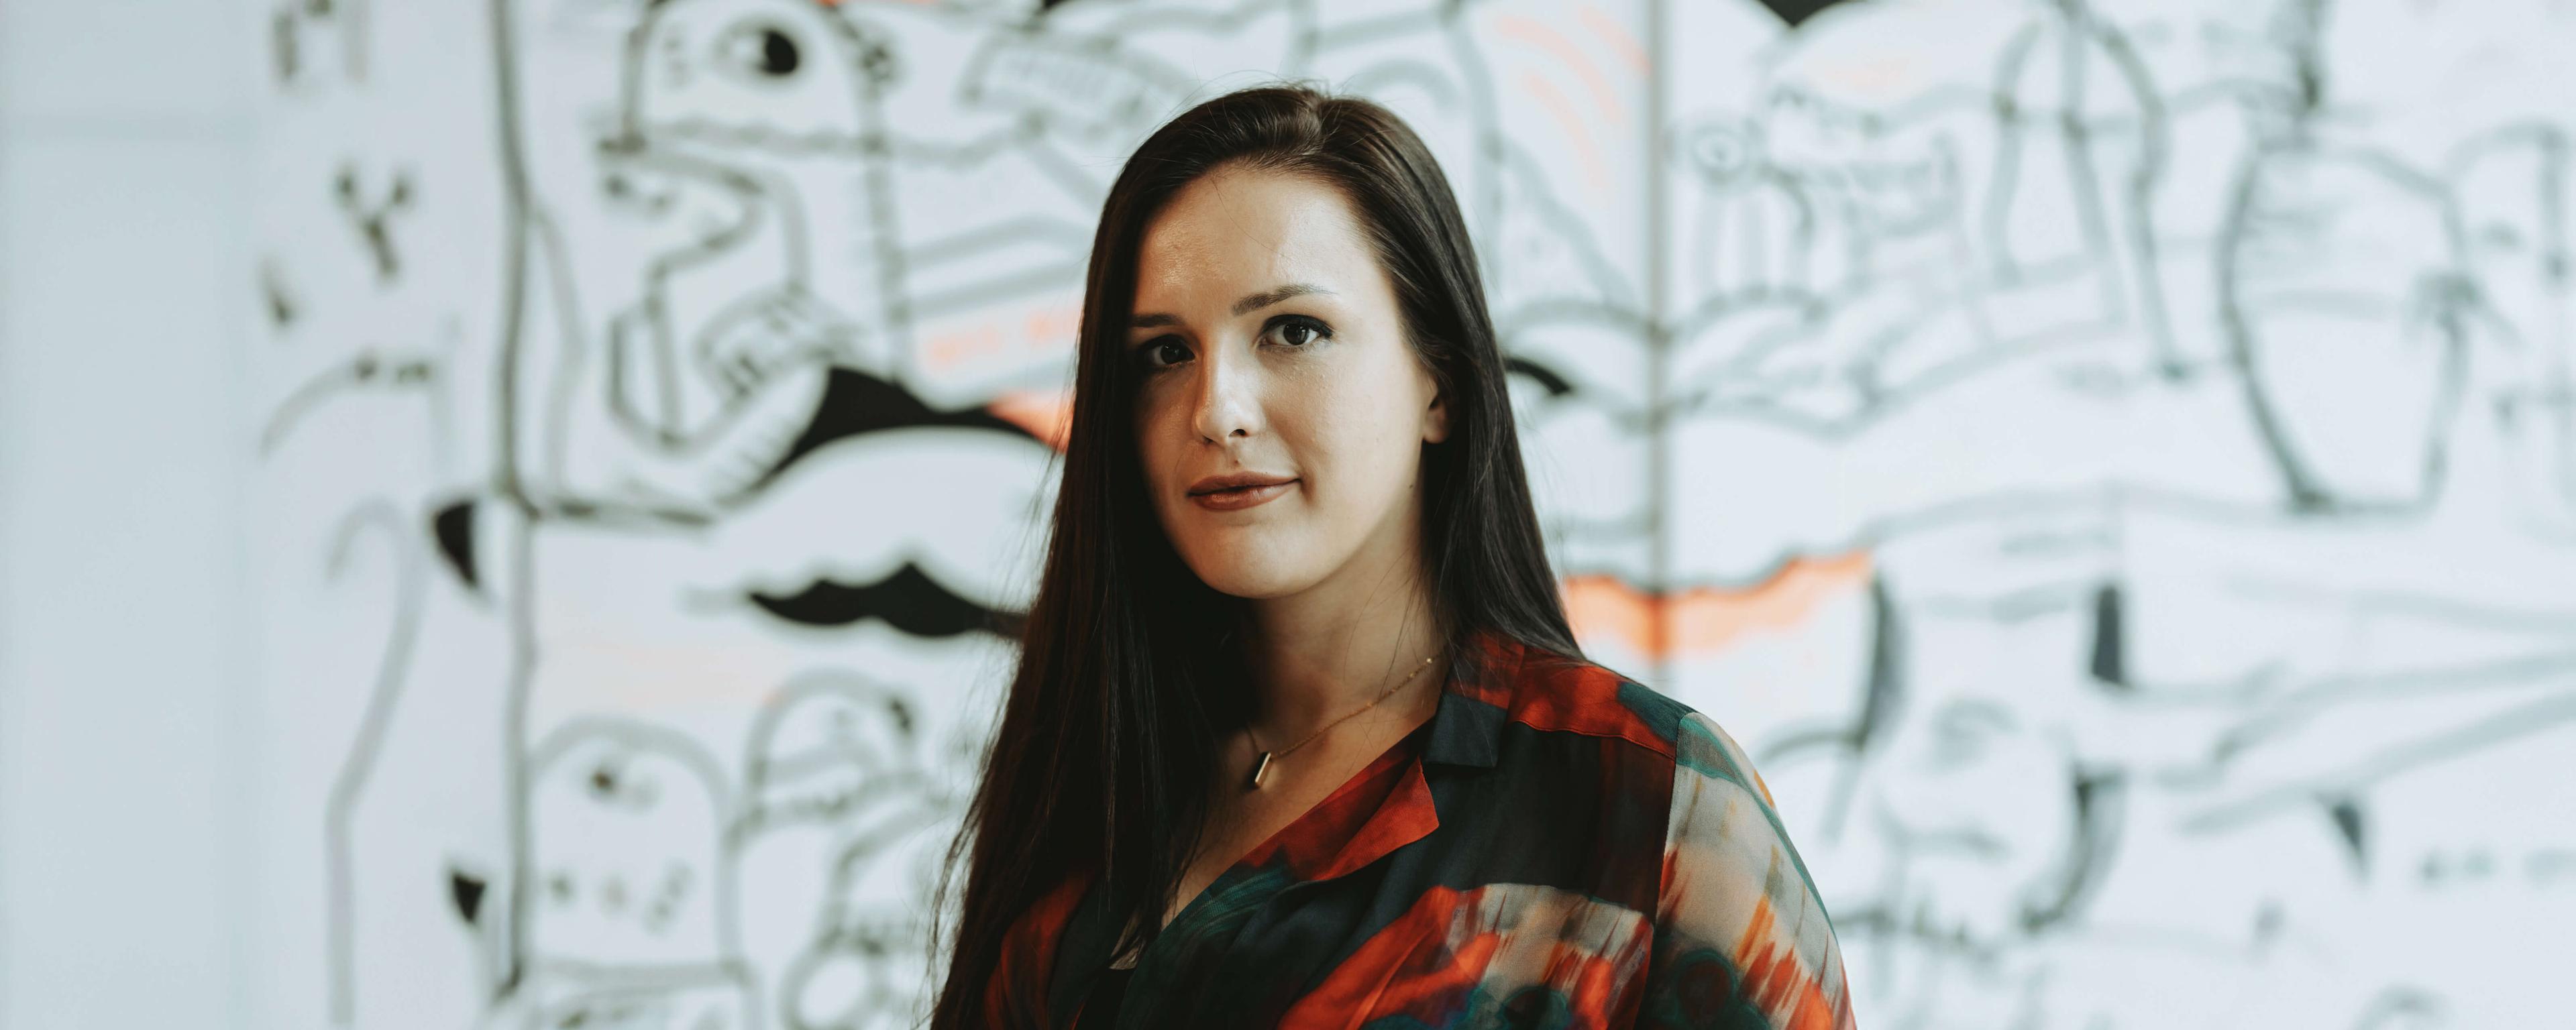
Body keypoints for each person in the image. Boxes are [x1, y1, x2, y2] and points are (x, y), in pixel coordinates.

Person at [925, 81, 1855, 1029]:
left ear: (1438, 384)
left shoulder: (1640, 802)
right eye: (1164, 354)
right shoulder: (1102, 773)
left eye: (1293, 331)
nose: (1216, 410)